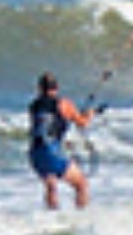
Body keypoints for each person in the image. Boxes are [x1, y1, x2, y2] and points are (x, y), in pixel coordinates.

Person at [27, 72, 100, 210]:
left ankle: (52, 218)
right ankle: (81, 217)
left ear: (39, 88)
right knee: (81, 184)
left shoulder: (34, 106)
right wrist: (90, 114)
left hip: (35, 153)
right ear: (57, 87)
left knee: (51, 185)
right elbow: (82, 123)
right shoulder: (63, 104)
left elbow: (45, 128)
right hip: (52, 152)